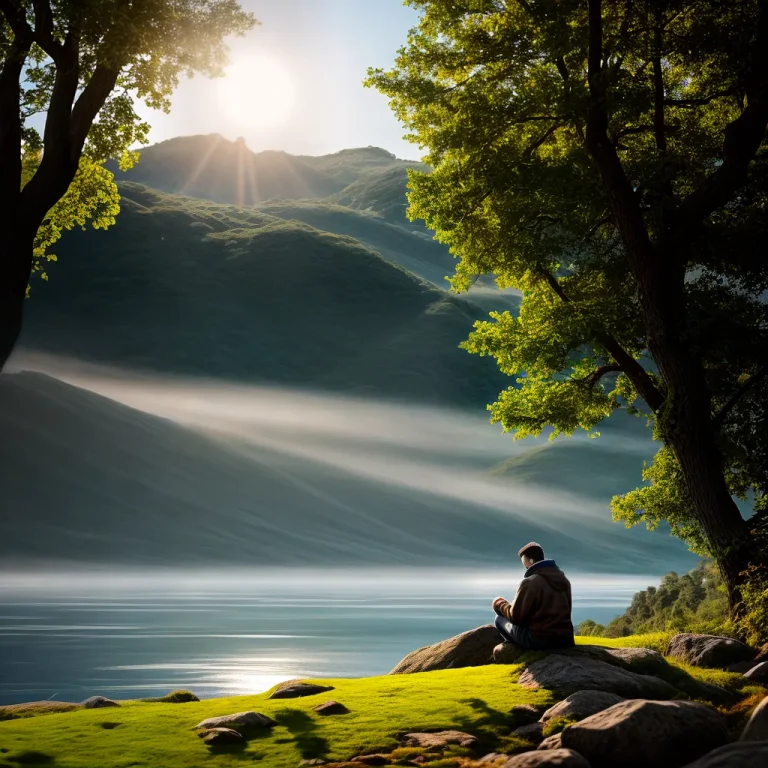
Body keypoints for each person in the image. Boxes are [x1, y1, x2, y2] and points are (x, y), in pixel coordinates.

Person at [491, 541, 575, 650]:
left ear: (530, 560)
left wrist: (499, 603)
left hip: (539, 641)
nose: (524, 564)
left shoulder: (530, 582)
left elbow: (516, 617)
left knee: (499, 619)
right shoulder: (564, 580)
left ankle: (518, 651)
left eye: (524, 560)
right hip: (565, 639)